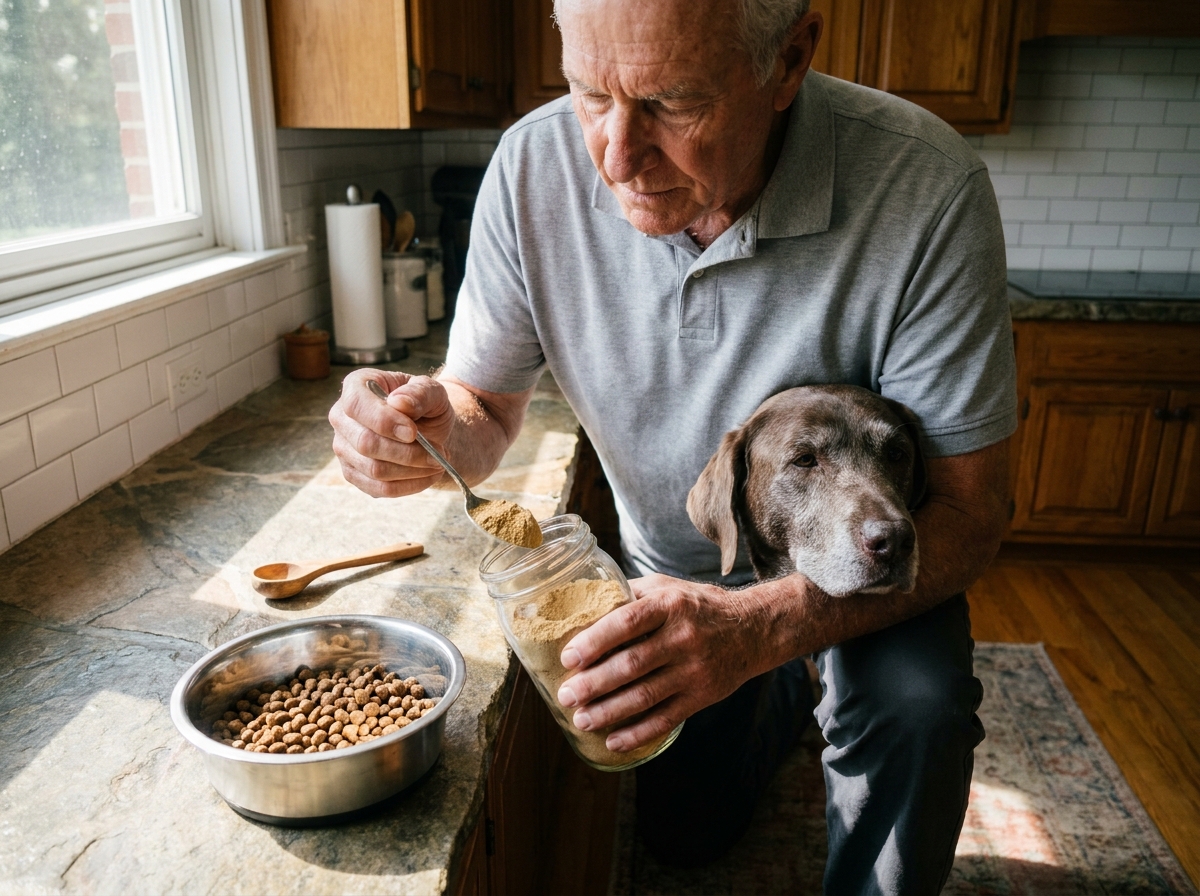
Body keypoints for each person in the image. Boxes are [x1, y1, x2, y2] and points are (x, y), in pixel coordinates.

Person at [329, 0, 1016, 890]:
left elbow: (972, 505)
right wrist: (425, 427)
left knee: (916, 706)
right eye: (588, 93)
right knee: (686, 834)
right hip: (672, 573)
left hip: (878, 558)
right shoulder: (531, 168)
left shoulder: (926, 185)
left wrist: (757, 627)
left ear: (790, 60)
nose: (615, 158)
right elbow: (483, 411)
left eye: (673, 102)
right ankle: (780, 702)